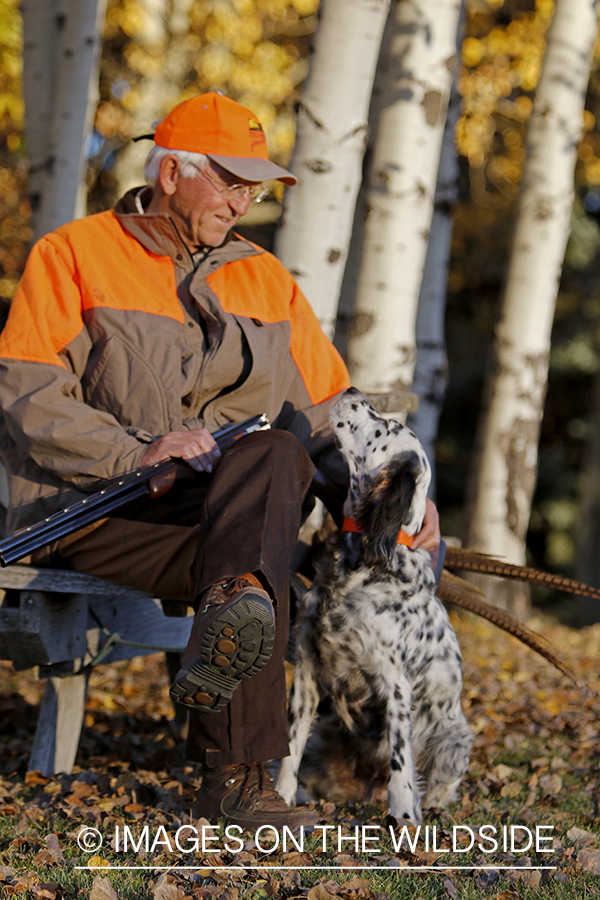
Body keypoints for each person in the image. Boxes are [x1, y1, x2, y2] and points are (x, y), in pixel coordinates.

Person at [0, 93, 440, 829]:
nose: (243, 200)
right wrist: (139, 449)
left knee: (269, 463)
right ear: (172, 172)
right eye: (230, 181)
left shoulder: (264, 278)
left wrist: (394, 501)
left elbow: (333, 413)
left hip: (221, 518)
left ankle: (236, 762)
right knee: (260, 567)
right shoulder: (72, 254)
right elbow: (25, 394)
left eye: (254, 187)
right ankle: (238, 780)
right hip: (89, 510)